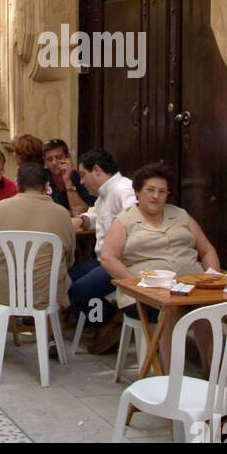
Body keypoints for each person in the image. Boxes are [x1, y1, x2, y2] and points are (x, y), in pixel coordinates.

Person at [99, 161, 221, 370]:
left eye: (162, 191)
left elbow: (207, 250)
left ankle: (211, 373)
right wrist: (136, 285)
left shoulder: (181, 215)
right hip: (147, 293)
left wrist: (212, 275)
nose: (156, 196)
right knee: (169, 311)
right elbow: (108, 257)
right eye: (150, 190)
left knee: (208, 309)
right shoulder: (125, 220)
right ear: (137, 192)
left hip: (192, 289)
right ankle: (170, 376)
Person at [0, 159, 77, 317]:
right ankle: (50, 336)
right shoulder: (62, 214)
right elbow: (69, 257)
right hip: (46, 295)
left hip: (3, 294)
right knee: (58, 273)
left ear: (17, 184)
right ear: (47, 186)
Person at [68, 148, 136, 345]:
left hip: (121, 262)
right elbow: (95, 215)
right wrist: (80, 221)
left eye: (83, 175)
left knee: (80, 291)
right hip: (101, 261)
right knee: (65, 279)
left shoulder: (124, 191)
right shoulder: (104, 194)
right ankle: (109, 320)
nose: (81, 182)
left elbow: (135, 224)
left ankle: (110, 322)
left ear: (97, 170)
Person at [43, 138, 95, 214]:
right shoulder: (41, 178)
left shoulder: (81, 179)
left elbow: (82, 214)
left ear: (68, 157)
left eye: (58, 157)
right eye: (49, 159)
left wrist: (68, 182)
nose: (54, 162)